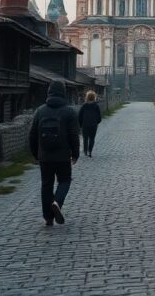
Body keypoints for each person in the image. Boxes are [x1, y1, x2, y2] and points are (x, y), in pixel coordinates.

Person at [29, 80, 80, 226]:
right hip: (63, 156)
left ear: (49, 92)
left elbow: (32, 135)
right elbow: (73, 135)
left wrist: (35, 154)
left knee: (46, 185)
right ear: (63, 93)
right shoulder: (69, 112)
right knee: (64, 180)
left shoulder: (40, 111)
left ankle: (48, 217)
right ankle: (57, 202)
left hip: (44, 156)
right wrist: (75, 154)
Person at [78, 90, 102, 157]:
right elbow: (99, 117)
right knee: (92, 138)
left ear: (87, 97)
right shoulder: (96, 106)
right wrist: (96, 122)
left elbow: (80, 116)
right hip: (93, 125)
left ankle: (85, 151)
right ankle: (90, 151)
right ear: (94, 97)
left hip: (85, 125)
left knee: (85, 138)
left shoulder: (84, 106)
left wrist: (80, 125)